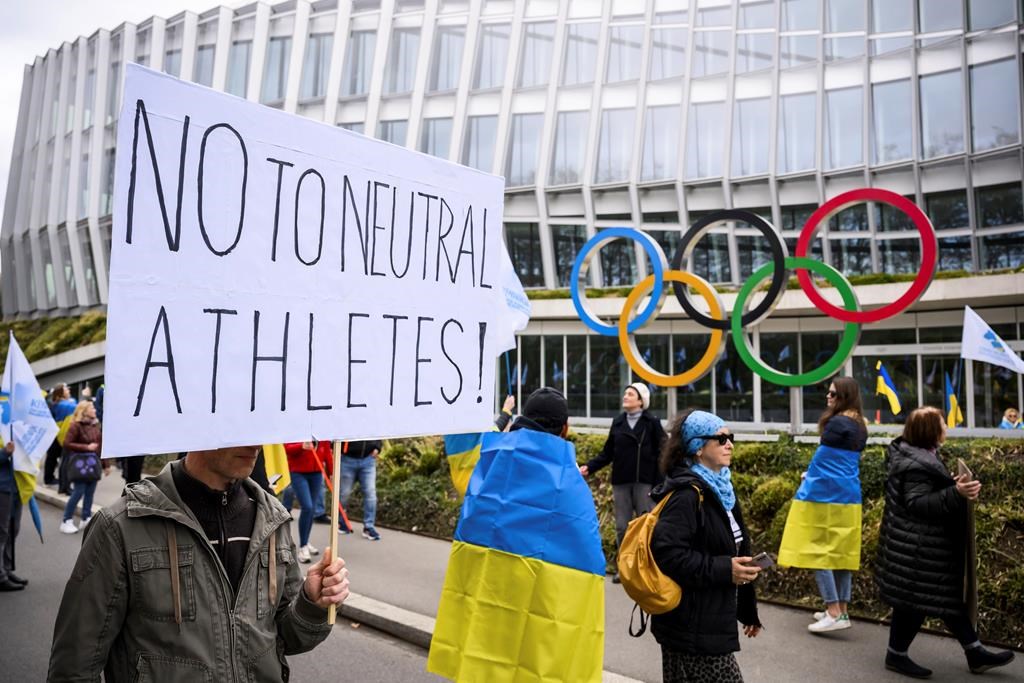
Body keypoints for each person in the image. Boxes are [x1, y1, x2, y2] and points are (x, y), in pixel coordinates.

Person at [48, 445, 350, 681]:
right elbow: (75, 663)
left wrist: (312, 602)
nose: (255, 443)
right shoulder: (121, 526)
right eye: (238, 426)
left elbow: (287, 638)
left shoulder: (273, 520)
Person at [877, 406, 1015, 678]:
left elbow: (921, 493)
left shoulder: (914, 454)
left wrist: (949, 487)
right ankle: (898, 655)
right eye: (942, 424)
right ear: (930, 430)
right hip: (916, 547)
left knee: (935, 599)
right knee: (923, 601)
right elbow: (917, 503)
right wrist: (955, 492)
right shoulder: (916, 462)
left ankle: (973, 652)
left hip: (916, 545)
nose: (946, 429)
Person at [650, 409, 762, 683]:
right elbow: (668, 555)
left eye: (730, 437)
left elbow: (736, 551)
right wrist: (725, 570)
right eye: (721, 439)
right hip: (689, 628)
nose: (730, 444)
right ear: (698, 448)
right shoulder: (687, 495)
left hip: (710, 622)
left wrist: (748, 610)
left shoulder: (723, 490)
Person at [777, 377, 867, 634]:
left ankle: (833, 610)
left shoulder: (836, 423)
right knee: (841, 555)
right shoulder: (860, 424)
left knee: (818, 551)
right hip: (849, 496)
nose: (828, 398)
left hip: (824, 496)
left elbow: (822, 459)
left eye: (833, 394)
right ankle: (843, 611)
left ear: (844, 397)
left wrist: (809, 477)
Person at [579, 383, 666, 582]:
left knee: (645, 526)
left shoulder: (651, 422)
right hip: (621, 482)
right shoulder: (618, 422)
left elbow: (664, 451)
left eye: (630, 394)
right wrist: (589, 467)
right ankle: (624, 568)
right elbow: (608, 453)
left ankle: (646, 568)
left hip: (645, 483)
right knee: (622, 527)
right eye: (625, 393)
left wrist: (660, 483)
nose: (625, 396)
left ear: (641, 400)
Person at [59, 401, 109, 534]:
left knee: (90, 492)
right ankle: (66, 520)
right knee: (78, 492)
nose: (94, 409)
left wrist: (106, 465)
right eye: (92, 407)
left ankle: (85, 518)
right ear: (84, 411)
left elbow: (100, 447)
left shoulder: (95, 426)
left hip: (93, 464)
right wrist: (86, 447)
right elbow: (67, 443)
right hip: (80, 465)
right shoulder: (75, 425)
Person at [284, 440, 332, 562]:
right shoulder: (297, 427)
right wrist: (301, 446)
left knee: (312, 509)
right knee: (307, 507)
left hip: (316, 473)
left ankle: (305, 541)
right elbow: (287, 448)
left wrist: (331, 472)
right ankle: (303, 547)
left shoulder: (321, 429)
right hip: (298, 473)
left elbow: (326, 451)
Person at [339, 439, 383, 541]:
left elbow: (378, 430)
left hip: (368, 459)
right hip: (347, 459)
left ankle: (369, 526)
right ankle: (341, 521)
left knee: (370, 492)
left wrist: (377, 447)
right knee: (344, 493)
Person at [0, 441, 27, 591]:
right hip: (2, 487)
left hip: (17, 487)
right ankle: (0, 576)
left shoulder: (16, 427)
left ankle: (6, 569)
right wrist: (5, 453)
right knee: (2, 533)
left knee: (12, 531)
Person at [42, 384, 76, 487]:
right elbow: (77, 407)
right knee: (59, 458)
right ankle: (55, 481)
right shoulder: (63, 405)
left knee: (54, 457)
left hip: (56, 433)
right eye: (66, 389)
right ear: (60, 392)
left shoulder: (58, 403)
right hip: (58, 433)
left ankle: (50, 479)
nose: (68, 390)